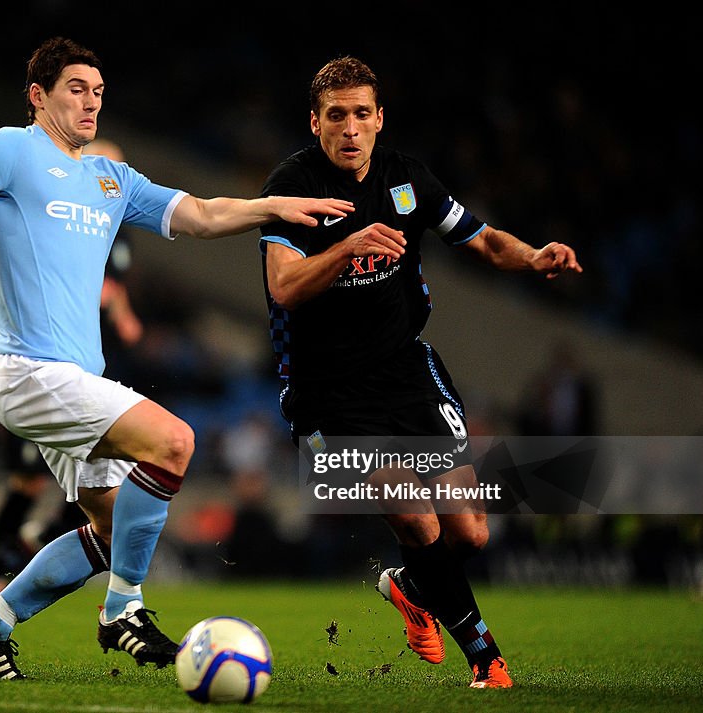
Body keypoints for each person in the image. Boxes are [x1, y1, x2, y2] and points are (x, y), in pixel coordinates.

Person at [0, 36, 353, 681]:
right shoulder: (9, 150)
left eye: (98, 92)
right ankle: (122, 611)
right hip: (28, 371)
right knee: (175, 443)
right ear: (37, 96)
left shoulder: (110, 178)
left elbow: (203, 214)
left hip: (77, 377)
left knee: (109, 530)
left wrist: (270, 206)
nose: (91, 102)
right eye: (76, 88)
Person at [258, 56, 581, 689]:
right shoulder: (291, 187)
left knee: (470, 531)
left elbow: (483, 239)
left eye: (360, 115)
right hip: (327, 392)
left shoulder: (408, 178)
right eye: (335, 117)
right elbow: (285, 287)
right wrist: (347, 245)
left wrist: (533, 255)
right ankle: (486, 659)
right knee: (415, 514)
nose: (349, 129)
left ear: (379, 119)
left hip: (405, 370)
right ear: (315, 123)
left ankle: (410, 585)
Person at [0, 138, 144, 607]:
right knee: (28, 481)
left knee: (97, 484)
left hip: (88, 371)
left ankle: (37, 547)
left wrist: (123, 314)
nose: (112, 181)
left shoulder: (117, 232)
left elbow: (115, 286)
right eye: (105, 169)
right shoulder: (60, 218)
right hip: (42, 370)